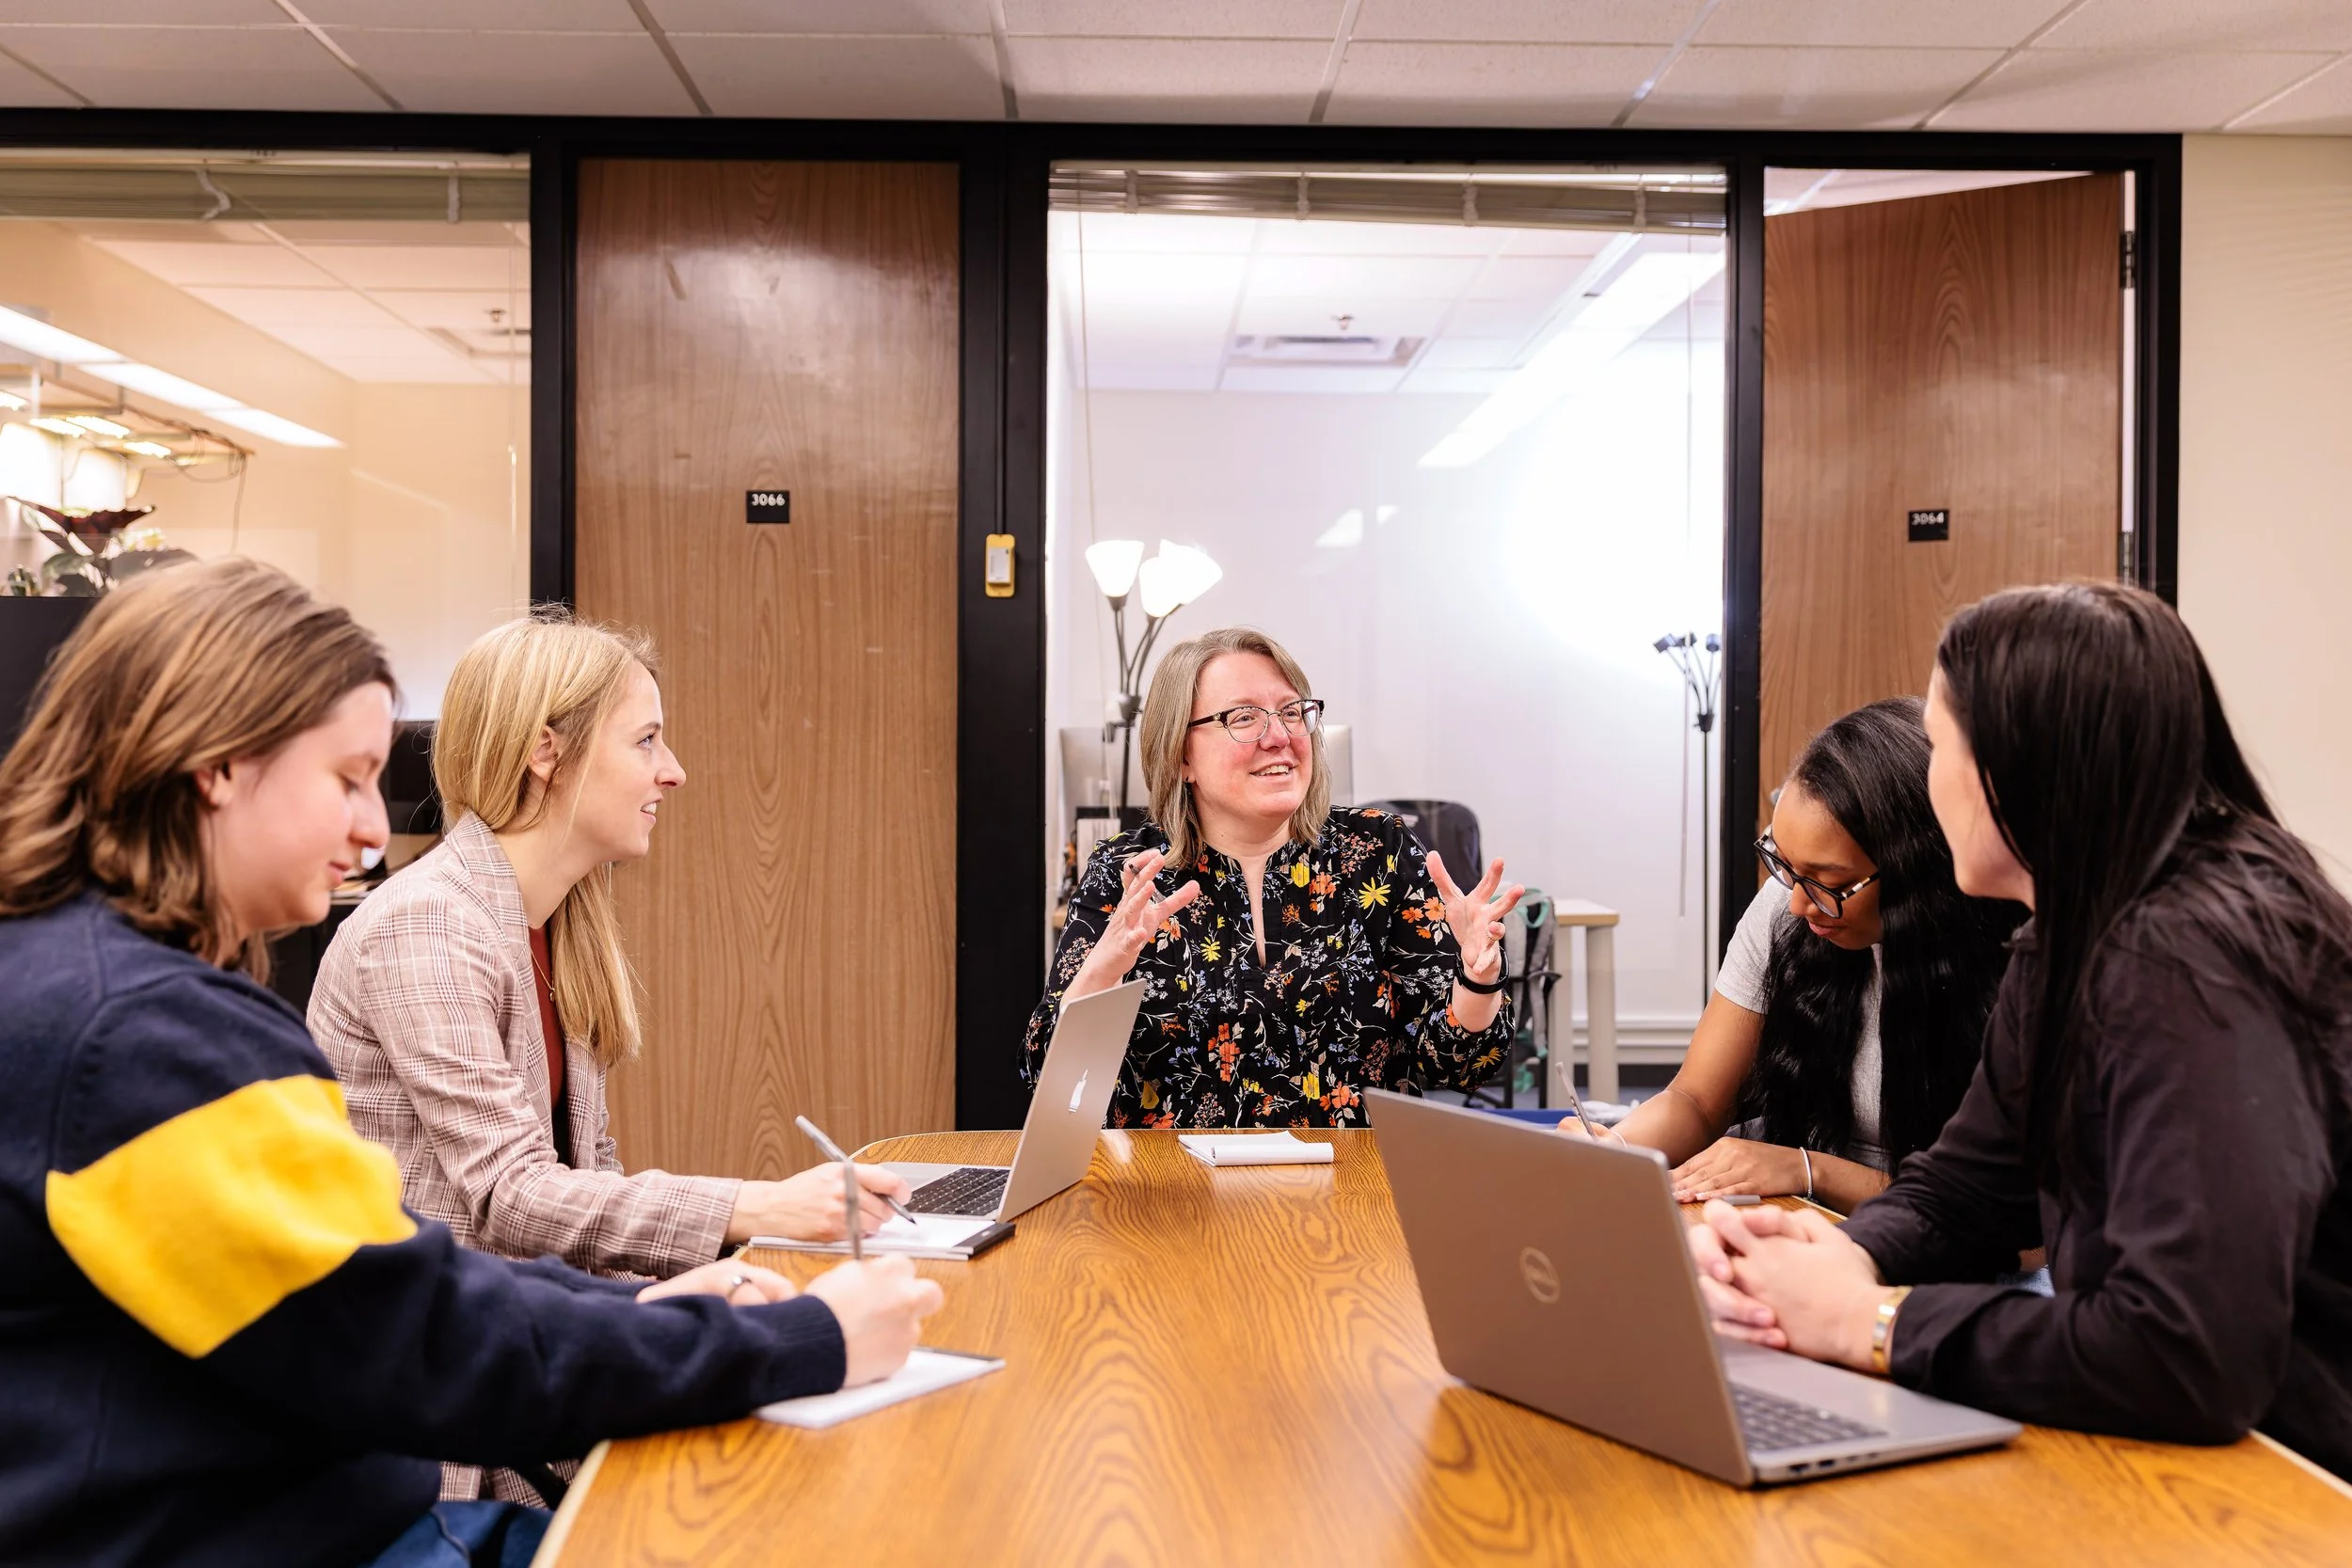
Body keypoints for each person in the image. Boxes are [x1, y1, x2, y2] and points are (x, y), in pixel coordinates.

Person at [0, 559, 942, 1567]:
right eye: (348, 778)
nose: (373, 829)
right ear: (217, 765)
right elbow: (421, 1325)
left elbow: (379, 1267)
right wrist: (799, 1340)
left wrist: (649, 1306)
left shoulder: (93, 988)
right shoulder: (143, 1034)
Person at [1687, 582, 2352, 1478]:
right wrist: (1839, 1252)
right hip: (2189, 1442)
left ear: (2015, 770)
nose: (1925, 780)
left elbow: (2189, 1355)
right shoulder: (2073, 926)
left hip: (2290, 1474)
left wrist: (1872, 1322)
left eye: (1940, 745)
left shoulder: (2190, 963)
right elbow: (1968, 1190)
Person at [1027, 626, 1522, 1128]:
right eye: (1244, 718)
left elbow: (1459, 1066)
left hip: (1351, 1187)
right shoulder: (1127, 870)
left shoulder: (1379, 851)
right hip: (1171, 1189)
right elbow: (1049, 1078)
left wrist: (1478, 980)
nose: (1281, 737)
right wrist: (1103, 970)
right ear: (1181, 756)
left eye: (1291, 712)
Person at [1567, 698, 2018, 1212]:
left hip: (1956, 1249)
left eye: (1830, 882)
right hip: (1808, 1217)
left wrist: (1809, 1169)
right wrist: (1617, 1148)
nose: (1799, 903)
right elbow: (1696, 1099)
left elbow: (2016, 1229)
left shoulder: (2015, 961)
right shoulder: (1789, 905)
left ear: (1917, 871)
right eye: (1786, 865)